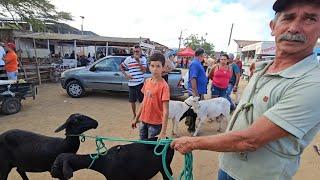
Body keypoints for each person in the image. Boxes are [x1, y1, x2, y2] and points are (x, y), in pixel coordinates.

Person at [171, 0, 320, 179]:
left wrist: (193, 142)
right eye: (288, 18)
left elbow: (250, 140)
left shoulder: (313, 83)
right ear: (273, 26)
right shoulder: (262, 69)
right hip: (228, 166)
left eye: (309, 19)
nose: (294, 28)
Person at [131, 51, 169, 140]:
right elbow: (144, 102)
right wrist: (136, 118)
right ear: (149, 67)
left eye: (158, 66)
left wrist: (163, 132)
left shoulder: (164, 86)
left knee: (151, 149)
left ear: (163, 68)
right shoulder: (147, 81)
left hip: (155, 125)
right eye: (152, 66)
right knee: (141, 145)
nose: (155, 69)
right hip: (143, 121)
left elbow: (166, 111)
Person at [120, 45, 147, 123]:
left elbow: (144, 71)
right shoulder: (128, 59)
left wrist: (138, 62)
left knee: (142, 101)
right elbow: (121, 67)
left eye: (137, 51)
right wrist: (126, 75)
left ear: (140, 51)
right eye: (134, 51)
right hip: (131, 84)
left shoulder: (143, 59)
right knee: (132, 101)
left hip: (140, 83)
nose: (136, 53)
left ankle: (142, 115)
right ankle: (135, 115)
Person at [185, 48, 208, 132]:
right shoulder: (195, 63)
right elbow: (193, 78)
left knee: (195, 109)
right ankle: (191, 127)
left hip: (198, 91)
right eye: (204, 55)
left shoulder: (197, 63)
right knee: (195, 110)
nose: (204, 57)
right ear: (201, 55)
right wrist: (195, 92)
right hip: (196, 91)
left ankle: (190, 124)